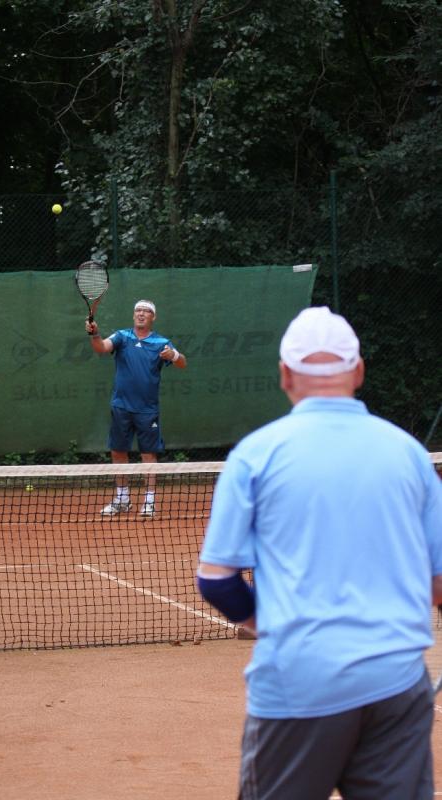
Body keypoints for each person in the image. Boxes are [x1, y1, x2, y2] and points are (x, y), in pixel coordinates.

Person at [197, 306, 442, 800]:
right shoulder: (410, 455)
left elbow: (217, 579)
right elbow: (438, 581)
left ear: (285, 375)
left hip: (297, 683)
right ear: (359, 370)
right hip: (395, 682)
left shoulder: (255, 455)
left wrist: (265, 625)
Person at [86, 299, 187, 516]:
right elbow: (101, 348)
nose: (141, 314)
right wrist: (94, 334)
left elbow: (182, 363)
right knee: (118, 451)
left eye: (146, 311)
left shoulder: (161, 342)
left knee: (148, 454)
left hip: (147, 410)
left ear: (153, 317)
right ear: (133, 315)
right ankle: (122, 499)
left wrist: (174, 355)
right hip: (121, 406)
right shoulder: (122, 337)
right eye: (138, 310)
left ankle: (149, 502)